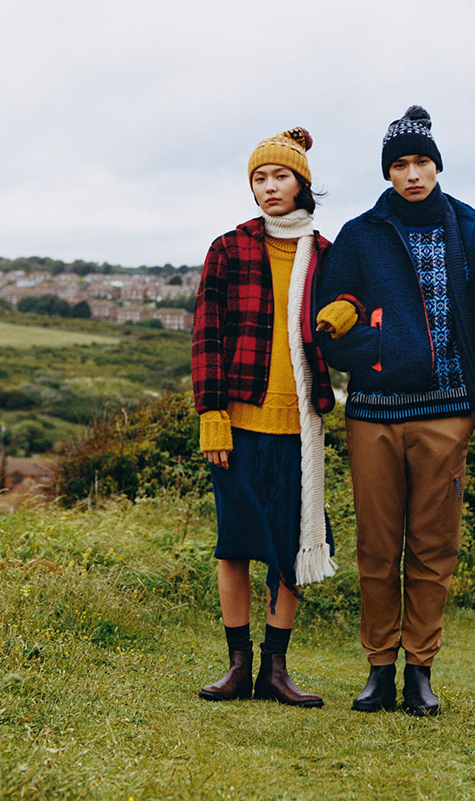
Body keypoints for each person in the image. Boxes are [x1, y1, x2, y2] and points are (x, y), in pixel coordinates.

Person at [313, 106, 475, 716]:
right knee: (377, 549)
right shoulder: (359, 235)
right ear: (388, 173)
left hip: (448, 414)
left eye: (422, 161)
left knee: (432, 548)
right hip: (373, 414)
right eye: (400, 165)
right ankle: (379, 669)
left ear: (437, 166)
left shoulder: (474, 232)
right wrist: (378, 350)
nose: (413, 174)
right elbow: (326, 322)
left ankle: (420, 670)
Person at [192, 127, 336, 708]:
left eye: (280, 176)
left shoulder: (325, 255)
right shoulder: (228, 249)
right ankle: (237, 666)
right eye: (259, 178)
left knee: (293, 546)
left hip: (300, 428)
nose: (270, 186)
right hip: (238, 424)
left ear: (302, 183)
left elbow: (351, 309)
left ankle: (276, 670)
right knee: (235, 545)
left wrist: (348, 312)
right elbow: (206, 336)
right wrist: (212, 415)